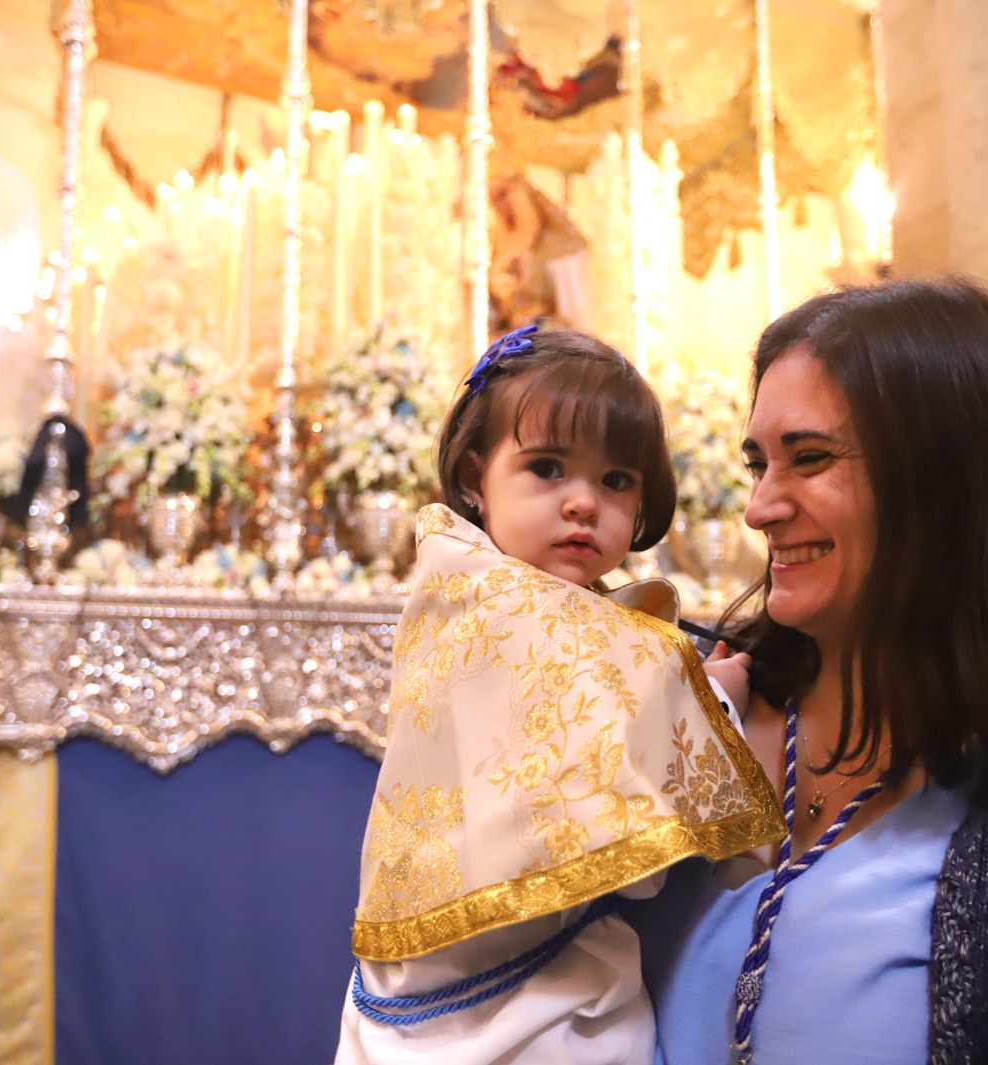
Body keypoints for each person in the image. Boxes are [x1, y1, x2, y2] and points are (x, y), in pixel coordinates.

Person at [629, 278, 988, 1064]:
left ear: (954, 481)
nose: (759, 505)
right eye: (759, 462)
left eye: (811, 457)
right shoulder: (679, 702)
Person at [335, 325, 784, 1065]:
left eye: (616, 480)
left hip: (514, 979)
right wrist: (715, 701)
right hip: (513, 1005)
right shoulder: (490, 597)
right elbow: (612, 772)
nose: (584, 503)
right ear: (477, 477)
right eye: (547, 468)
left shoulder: (513, 588)